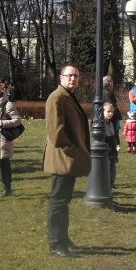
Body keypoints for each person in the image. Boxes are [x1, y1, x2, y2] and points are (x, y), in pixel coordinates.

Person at [43, 66, 91, 258]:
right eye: (69, 75)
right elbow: (56, 130)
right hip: (62, 157)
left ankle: (63, 239)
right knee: (58, 201)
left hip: (67, 157)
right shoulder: (57, 97)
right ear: (61, 77)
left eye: (76, 76)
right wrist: (70, 148)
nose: (73, 79)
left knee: (64, 200)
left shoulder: (67, 96)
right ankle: (56, 243)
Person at [0, 81, 22, 197]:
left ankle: (7, 188)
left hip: (3, 138)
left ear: (0, 91)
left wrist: (2, 123)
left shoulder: (8, 105)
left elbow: (17, 120)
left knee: (3, 164)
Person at [103, 102, 119, 190]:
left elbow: (113, 139)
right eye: (108, 111)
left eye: (112, 112)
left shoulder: (111, 123)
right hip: (106, 154)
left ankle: (110, 190)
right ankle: (106, 191)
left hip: (112, 153)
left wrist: (116, 153)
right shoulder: (101, 124)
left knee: (113, 175)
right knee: (107, 175)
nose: (110, 113)